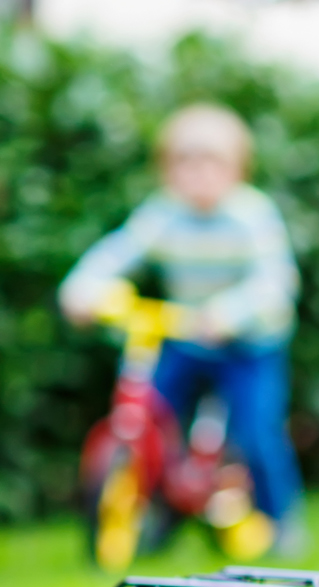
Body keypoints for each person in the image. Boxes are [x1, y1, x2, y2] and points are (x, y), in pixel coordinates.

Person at [60, 102, 305, 551]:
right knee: (155, 416)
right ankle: (158, 511)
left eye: (211, 163)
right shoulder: (163, 214)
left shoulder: (252, 215)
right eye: (185, 164)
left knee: (256, 430)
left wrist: (229, 314)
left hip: (249, 341)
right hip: (185, 334)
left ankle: (279, 521)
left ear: (237, 169)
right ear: (166, 171)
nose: (198, 176)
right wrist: (83, 288)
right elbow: (118, 252)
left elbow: (276, 281)